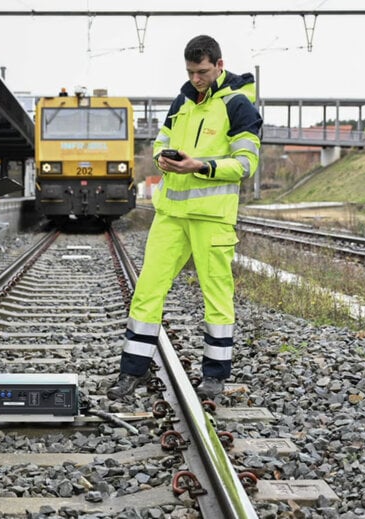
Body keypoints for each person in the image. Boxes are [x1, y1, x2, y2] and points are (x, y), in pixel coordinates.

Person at [107, 35, 262, 401]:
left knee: (217, 297)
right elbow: (160, 140)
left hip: (212, 219)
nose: (197, 78)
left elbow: (246, 164)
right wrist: (163, 156)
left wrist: (201, 166)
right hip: (171, 215)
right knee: (147, 292)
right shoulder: (182, 102)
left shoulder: (238, 106)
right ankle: (131, 373)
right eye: (192, 72)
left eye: (203, 71)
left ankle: (214, 379)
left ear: (220, 66)